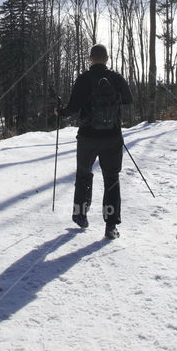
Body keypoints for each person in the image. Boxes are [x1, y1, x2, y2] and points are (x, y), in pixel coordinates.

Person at [55, 43, 133, 239]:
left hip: (87, 137)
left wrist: (60, 111)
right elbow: (129, 99)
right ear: (107, 59)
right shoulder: (116, 78)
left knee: (83, 174)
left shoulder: (83, 79)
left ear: (91, 58)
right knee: (111, 179)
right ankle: (111, 225)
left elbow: (72, 108)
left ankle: (81, 214)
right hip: (112, 138)